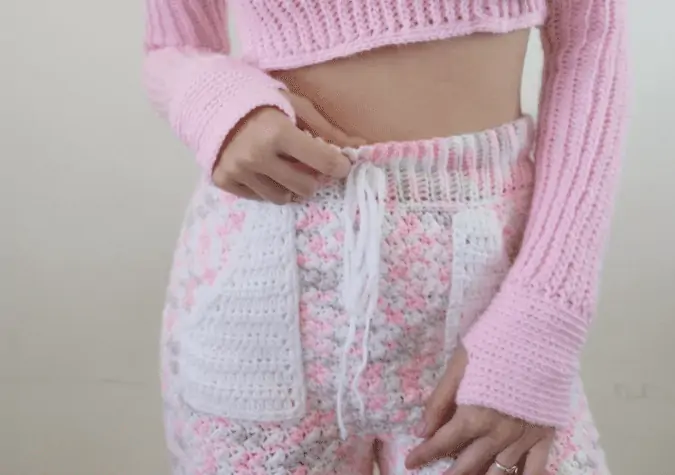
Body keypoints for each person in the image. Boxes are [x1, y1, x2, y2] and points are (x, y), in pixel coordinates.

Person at [143, 0, 628, 473]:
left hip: (486, 293)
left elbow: (591, 43)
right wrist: (218, 105)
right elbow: (173, 46)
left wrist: (546, 319)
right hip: (263, 275)